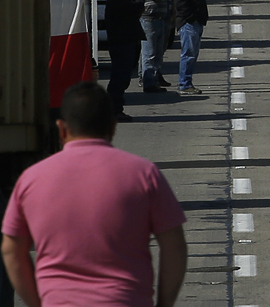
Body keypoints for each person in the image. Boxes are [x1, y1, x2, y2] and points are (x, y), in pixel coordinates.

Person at [2, 82, 188, 307]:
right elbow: (174, 246)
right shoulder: (144, 174)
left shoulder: (31, 179)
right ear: (113, 127)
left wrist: (38, 303)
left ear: (61, 129)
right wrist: (164, 303)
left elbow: (11, 250)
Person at [105, 0, 146, 122]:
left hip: (124, 42)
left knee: (122, 76)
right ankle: (114, 109)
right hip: (121, 43)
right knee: (120, 77)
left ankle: (114, 109)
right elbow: (135, 9)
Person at [137, 0, 173, 93]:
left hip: (161, 19)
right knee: (149, 53)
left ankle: (155, 80)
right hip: (149, 20)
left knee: (158, 53)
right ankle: (148, 82)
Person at [173, 0, 208, 96]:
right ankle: (185, 84)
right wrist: (191, 18)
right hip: (188, 24)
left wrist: (202, 18)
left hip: (197, 23)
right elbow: (180, 4)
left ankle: (186, 82)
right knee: (188, 55)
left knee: (193, 55)